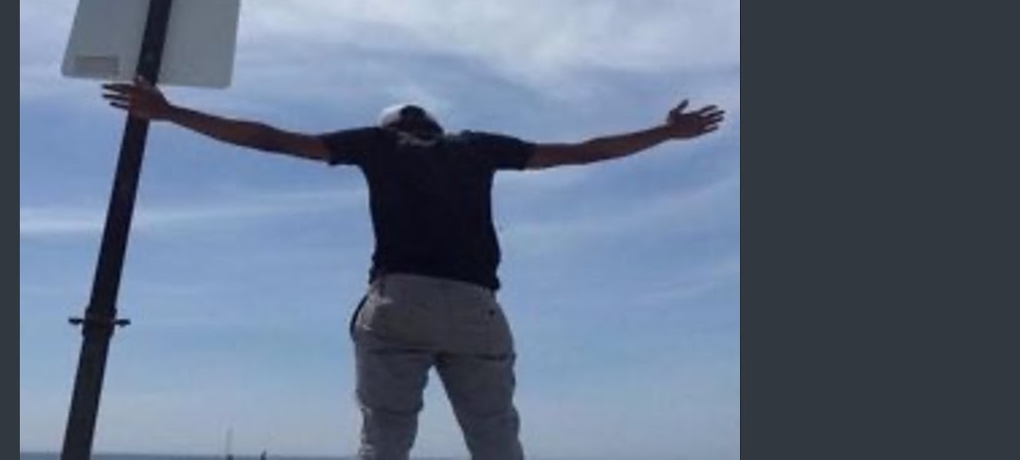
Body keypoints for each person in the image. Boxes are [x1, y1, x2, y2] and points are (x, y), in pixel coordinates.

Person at [102, 77, 724, 460]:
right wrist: (664, 133)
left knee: (386, 439)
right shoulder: (476, 147)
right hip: (477, 309)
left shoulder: (377, 144)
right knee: (495, 439)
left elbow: (273, 139)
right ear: (435, 125)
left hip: (399, 302)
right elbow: (582, 154)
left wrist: (173, 112)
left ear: (391, 127)